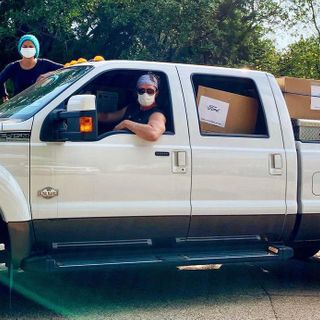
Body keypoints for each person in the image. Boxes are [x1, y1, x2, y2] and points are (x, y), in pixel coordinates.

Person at [99, 73, 166, 141]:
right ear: (137, 92)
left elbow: (153, 133)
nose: (145, 94)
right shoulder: (132, 107)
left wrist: (126, 123)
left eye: (150, 91)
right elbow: (107, 117)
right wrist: (92, 115)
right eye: (141, 91)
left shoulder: (157, 114)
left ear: (156, 93)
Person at [0, 34, 63, 102]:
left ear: (36, 49)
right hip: (18, 106)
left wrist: (48, 74)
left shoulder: (44, 64)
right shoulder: (13, 67)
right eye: (25, 46)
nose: (28, 49)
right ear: (20, 48)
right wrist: (4, 96)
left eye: (31, 46)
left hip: (41, 106)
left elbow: (65, 68)